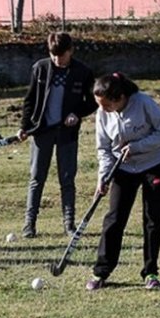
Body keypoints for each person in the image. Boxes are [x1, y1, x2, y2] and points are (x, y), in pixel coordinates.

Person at [85, 73, 160, 291]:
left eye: (106, 105)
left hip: (152, 164)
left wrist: (137, 147)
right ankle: (101, 272)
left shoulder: (144, 103)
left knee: (153, 218)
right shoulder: (102, 113)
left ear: (120, 97)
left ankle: (151, 271)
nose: (103, 109)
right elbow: (104, 148)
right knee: (114, 219)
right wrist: (103, 177)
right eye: (100, 105)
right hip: (122, 169)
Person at [18, 32, 97, 238]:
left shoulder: (83, 72)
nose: (57, 60)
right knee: (37, 178)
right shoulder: (40, 68)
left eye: (61, 56)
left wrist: (77, 114)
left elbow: (92, 101)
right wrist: (25, 126)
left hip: (67, 134)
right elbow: (30, 99)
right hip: (41, 132)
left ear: (70, 51)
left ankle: (69, 224)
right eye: (53, 56)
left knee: (67, 178)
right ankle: (29, 224)